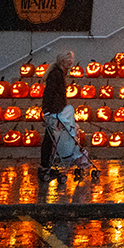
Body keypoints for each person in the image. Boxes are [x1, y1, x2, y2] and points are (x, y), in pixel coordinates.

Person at [39, 50, 73, 181]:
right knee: (50, 137)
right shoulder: (56, 75)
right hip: (54, 111)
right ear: (62, 60)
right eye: (69, 59)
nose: (71, 61)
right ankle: (46, 164)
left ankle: (47, 163)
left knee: (51, 137)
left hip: (58, 110)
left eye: (72, 59)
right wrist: (47, 110)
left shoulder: (60, 73)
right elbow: (49, 92)